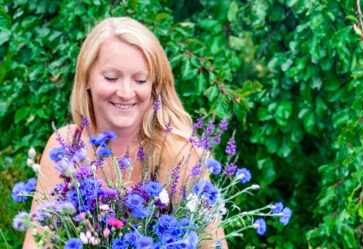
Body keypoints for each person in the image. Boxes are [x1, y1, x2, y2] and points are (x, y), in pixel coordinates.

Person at [23, 17, 228, 248]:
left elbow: (214, 244)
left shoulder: (181, 154)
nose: (126, 92)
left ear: (154, 86)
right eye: (111, 77)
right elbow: (37, 241)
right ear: (87, 78)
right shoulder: (66, 147)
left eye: (140, 80)